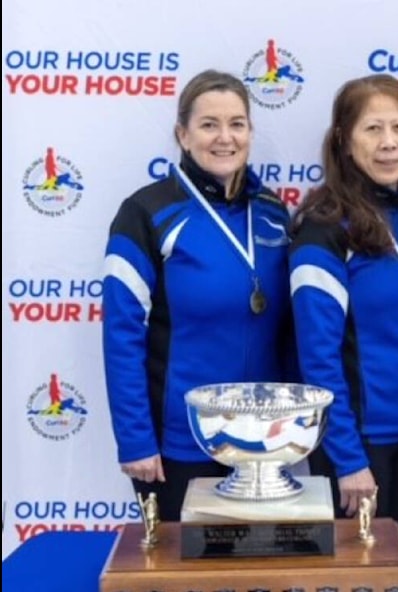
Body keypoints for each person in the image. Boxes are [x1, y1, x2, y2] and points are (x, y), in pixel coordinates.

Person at [102, 70, 294, 522]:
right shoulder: (146, 213)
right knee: (185, 580)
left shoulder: (271, 212)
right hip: (178, 444)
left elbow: (289, 330)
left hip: (262, 441)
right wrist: (136, 441)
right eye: (209, 124)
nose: (224, 137)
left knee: (254, 579)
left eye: (237, 124)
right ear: (182, 134)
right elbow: (121, 337)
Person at [289, 74, 398, 532]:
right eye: (373, 129)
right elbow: (318, 360)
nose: (389, 144)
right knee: (357, 591)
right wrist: (346, 459)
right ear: (344, 141)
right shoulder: (323, 231)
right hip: (357, 448)